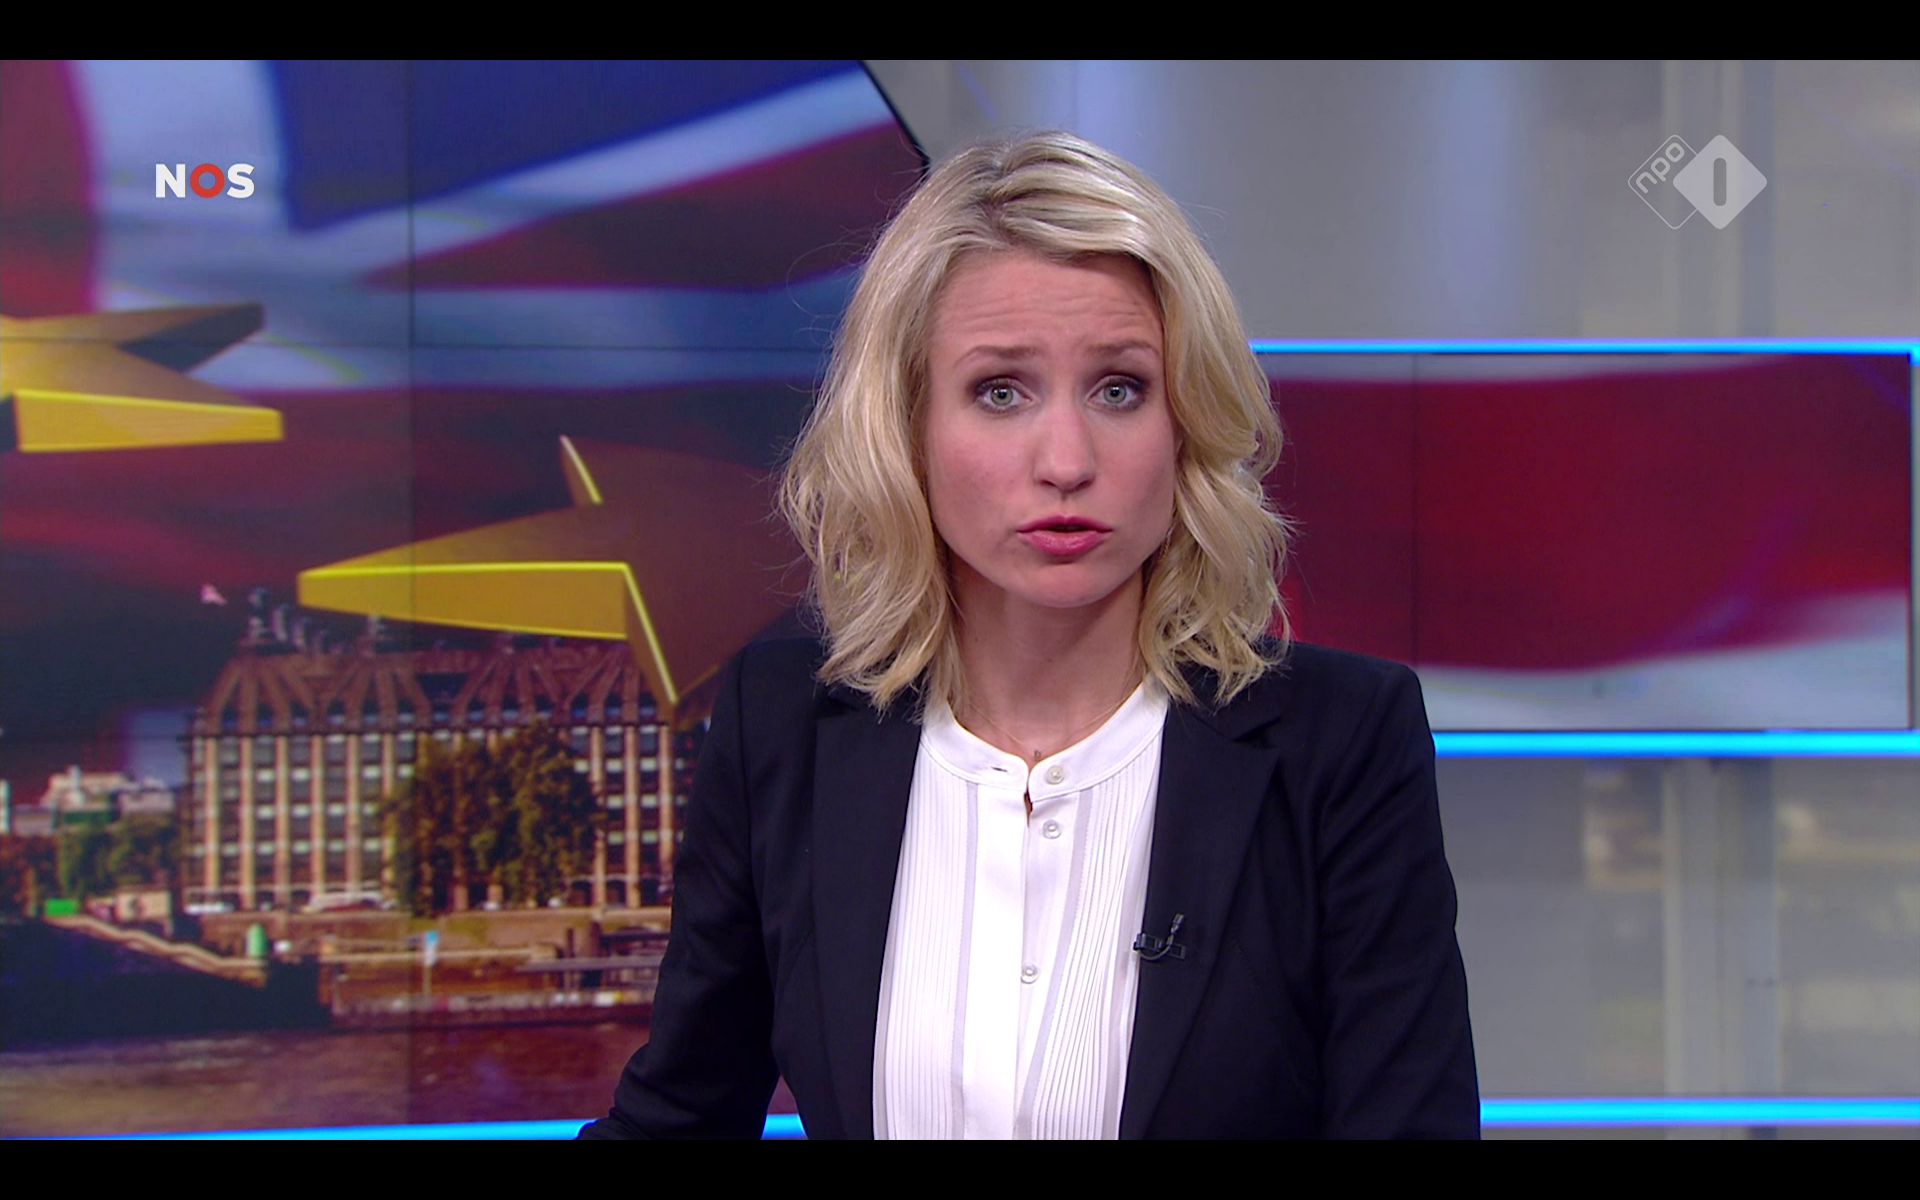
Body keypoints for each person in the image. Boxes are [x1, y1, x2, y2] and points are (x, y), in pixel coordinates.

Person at [580, 130, 1479, 1140]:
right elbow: (679, 1116)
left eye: (1120, 389)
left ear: (1186, 423)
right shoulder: (783, 729)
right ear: (907, 427)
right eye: (1000, 391)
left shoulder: (1341, 741)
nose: (1066, 460)